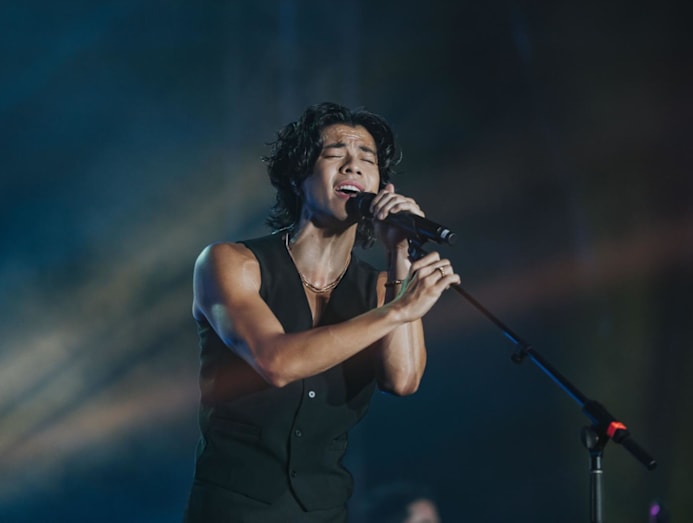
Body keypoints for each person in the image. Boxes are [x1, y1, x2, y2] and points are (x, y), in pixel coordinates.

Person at [183, 102, 460, 522]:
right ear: (298, 175)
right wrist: (398, 310)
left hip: (324, 511)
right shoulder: (231, 264)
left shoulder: (378, 287)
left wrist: (398, 256)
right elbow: (277, 362)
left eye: (367, 159)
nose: (353, 166)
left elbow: (403, 380)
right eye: (335, 154)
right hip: (233, 510)